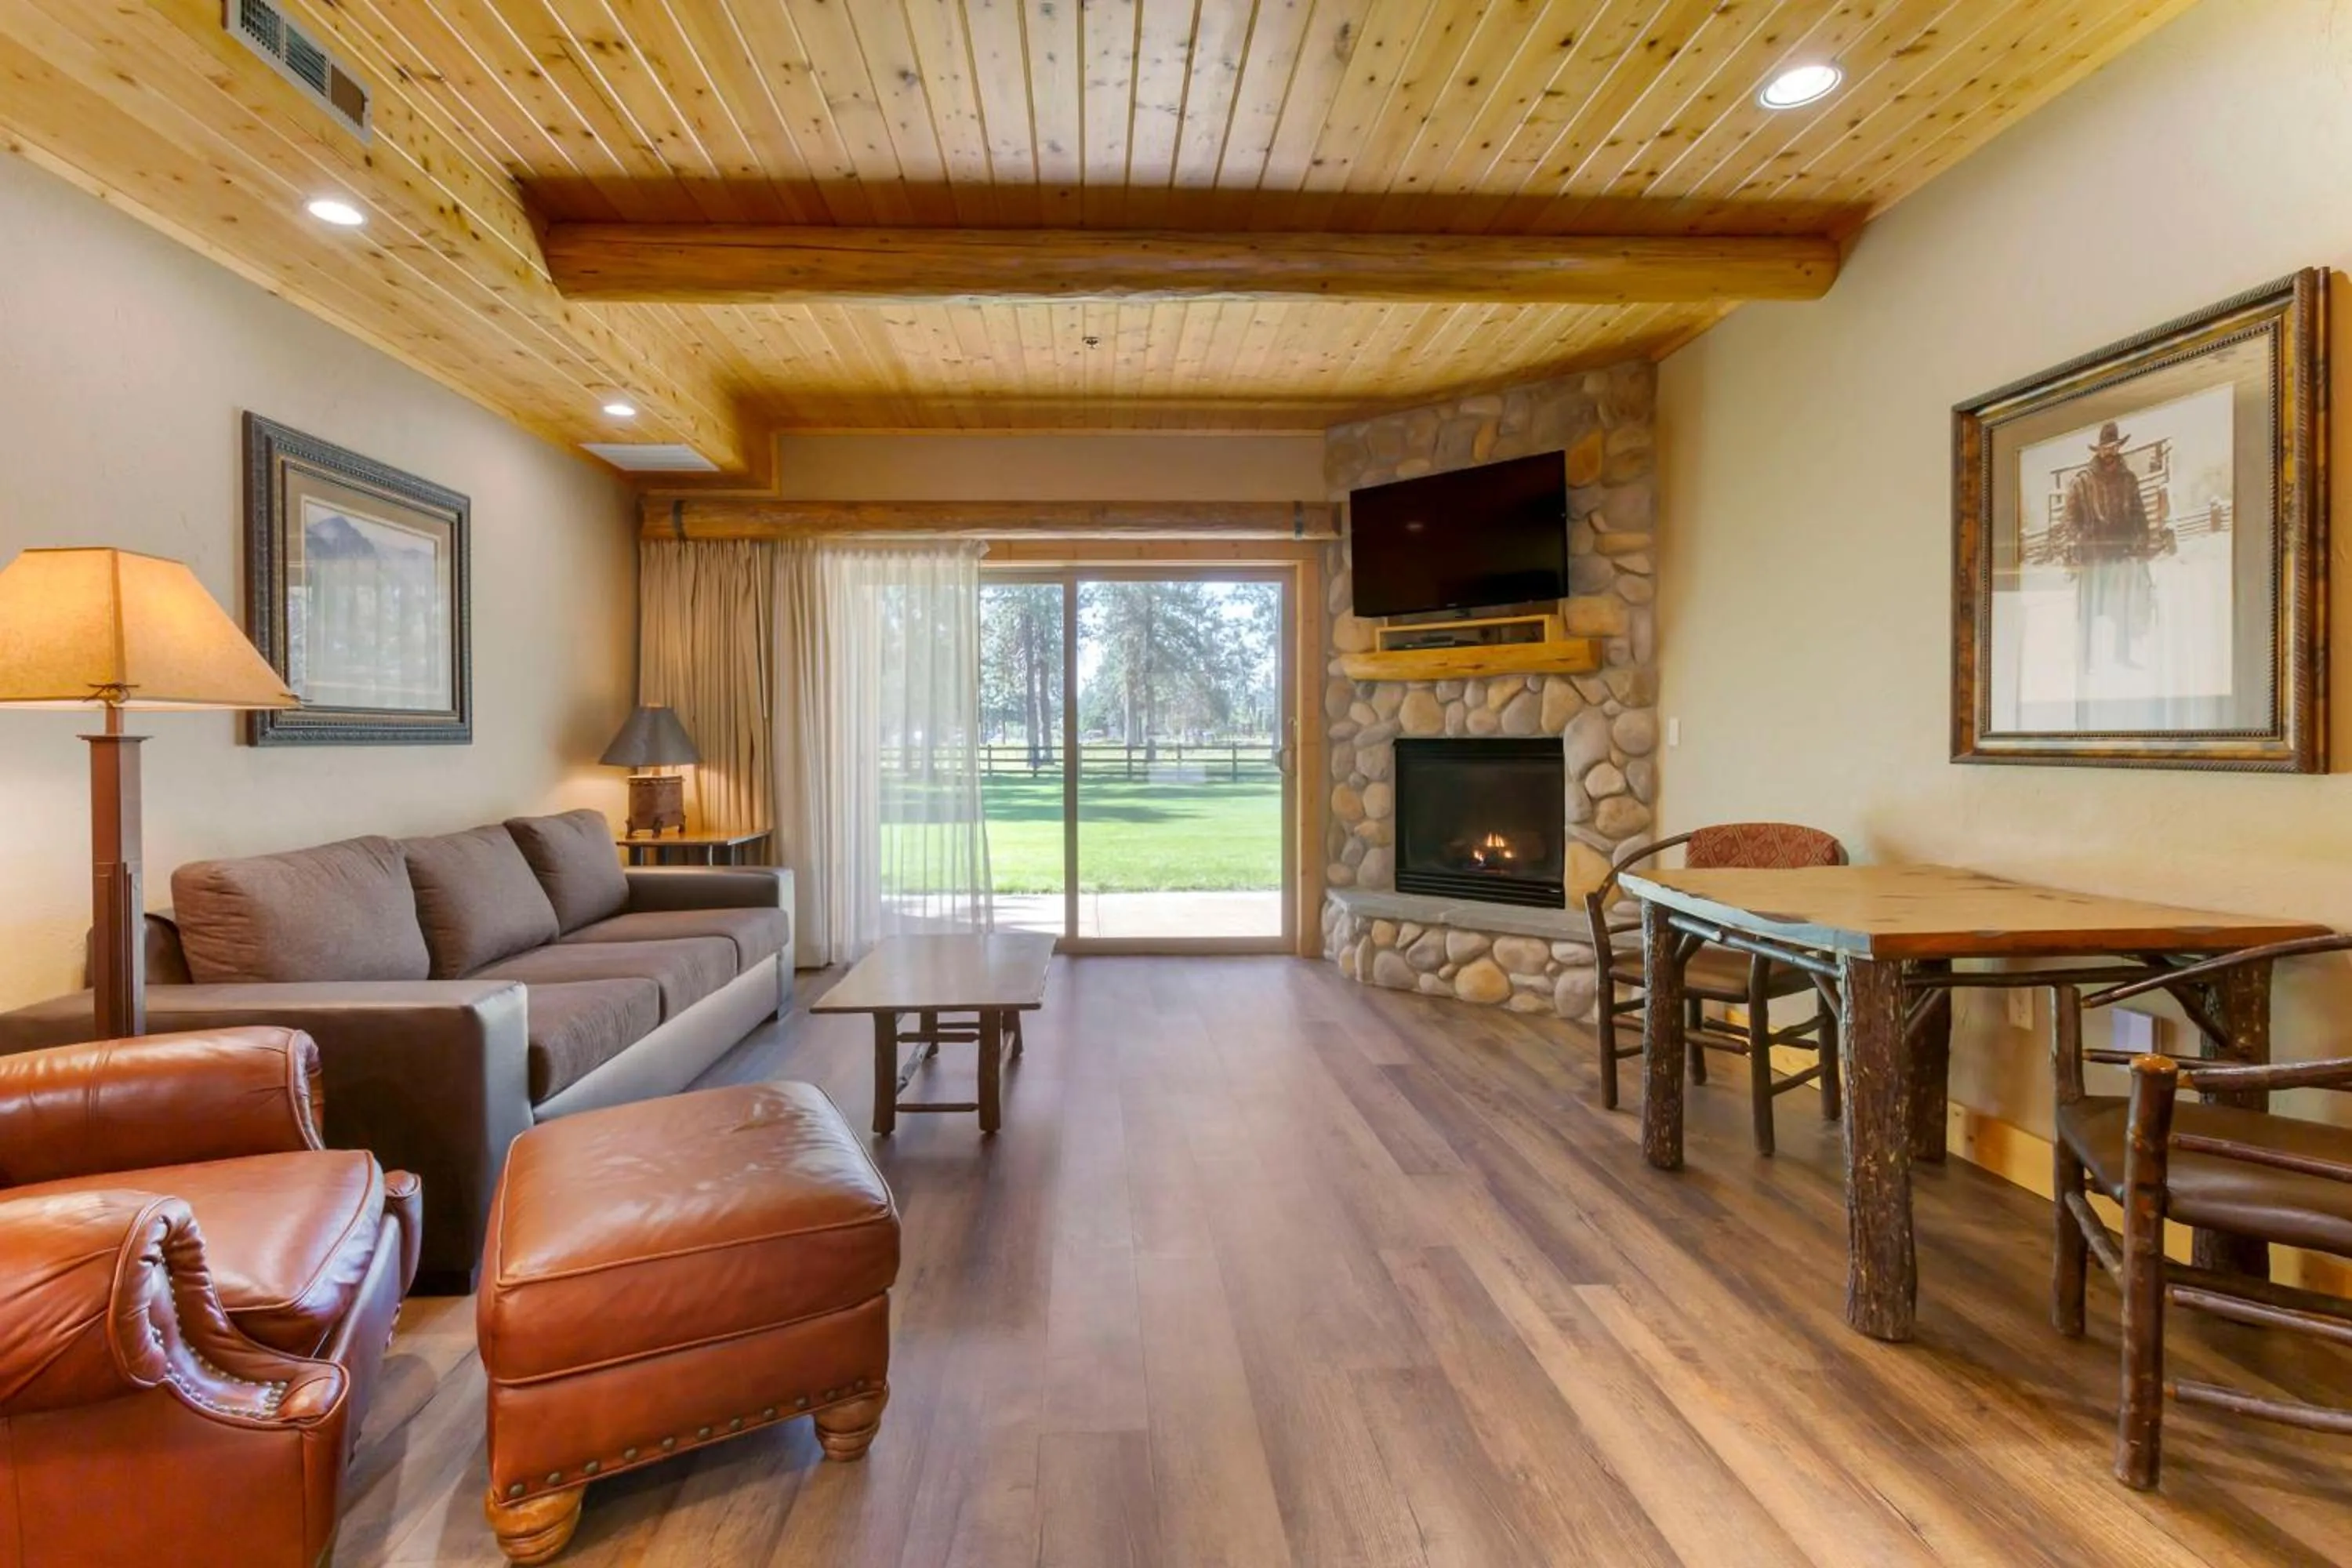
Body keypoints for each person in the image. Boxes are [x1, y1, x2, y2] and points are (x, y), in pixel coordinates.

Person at [2061, 420, 2156, 671]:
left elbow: (2139, 513)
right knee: (2089, 611)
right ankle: (2085, 661)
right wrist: (2082, 537)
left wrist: (2143, 539)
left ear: (2119, 448)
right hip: (2093, 556)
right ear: (2098, 450)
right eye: (2105, 448)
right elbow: (2070, 519)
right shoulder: (2082, 481)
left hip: (2122, 554)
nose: (2109, 452)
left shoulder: (2129, 479)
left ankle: (2122, 656)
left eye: (2114, 447)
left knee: (2123, 608)